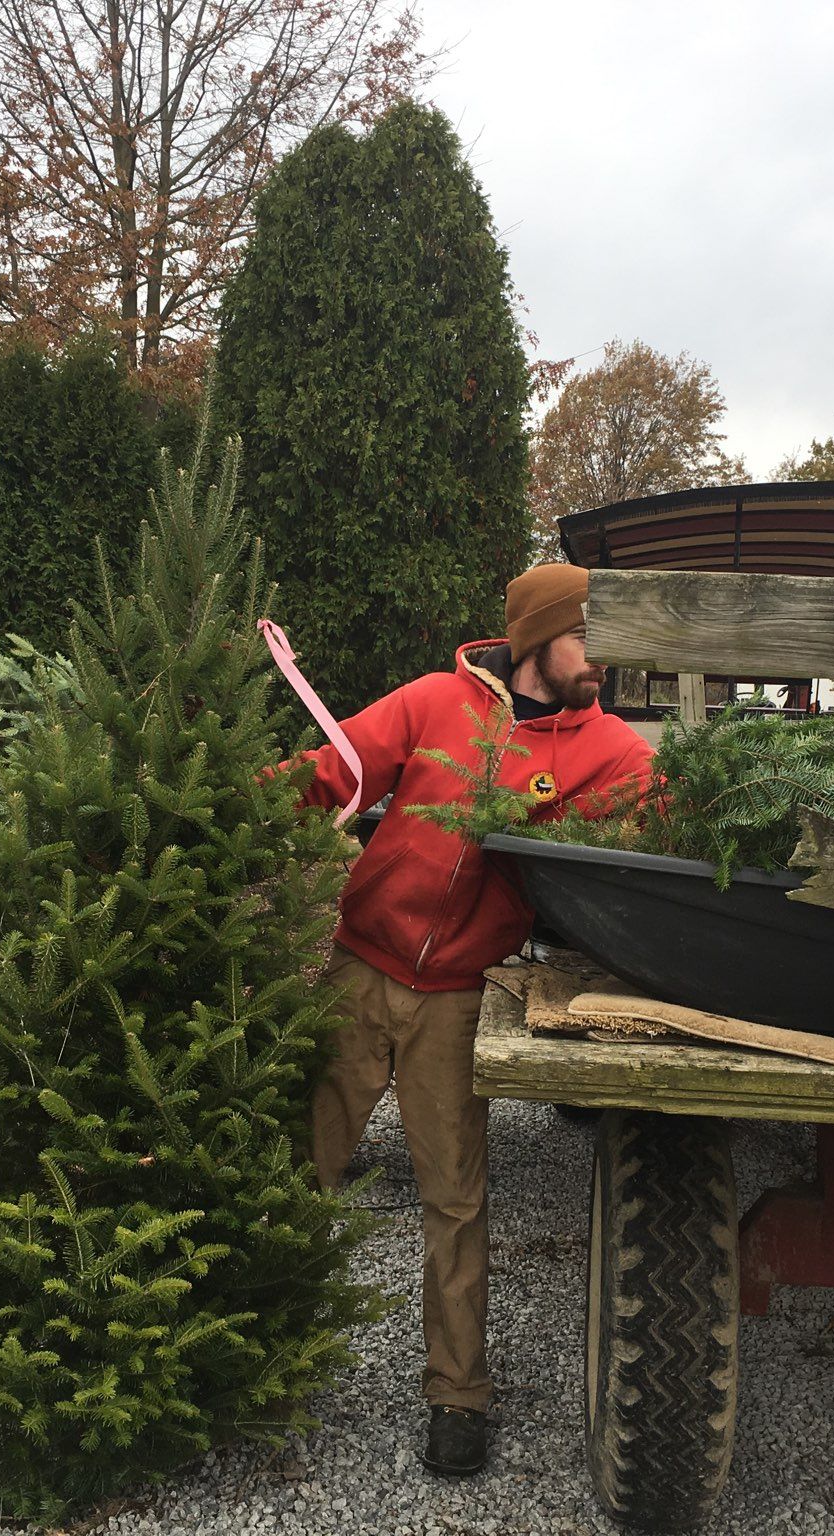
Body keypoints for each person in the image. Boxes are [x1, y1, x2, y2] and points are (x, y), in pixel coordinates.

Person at [289, 563, 653, 1477]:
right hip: (359, 975)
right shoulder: (432, 702)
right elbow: (334, 768)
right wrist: (219, 799)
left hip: (460, 999)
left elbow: (670, 802)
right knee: (300, 1171)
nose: (600, 659)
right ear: (538, 640)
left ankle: (458, 1396)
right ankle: (256, 1354)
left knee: (454, 1202)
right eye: (586, 637)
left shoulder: (605, 746)